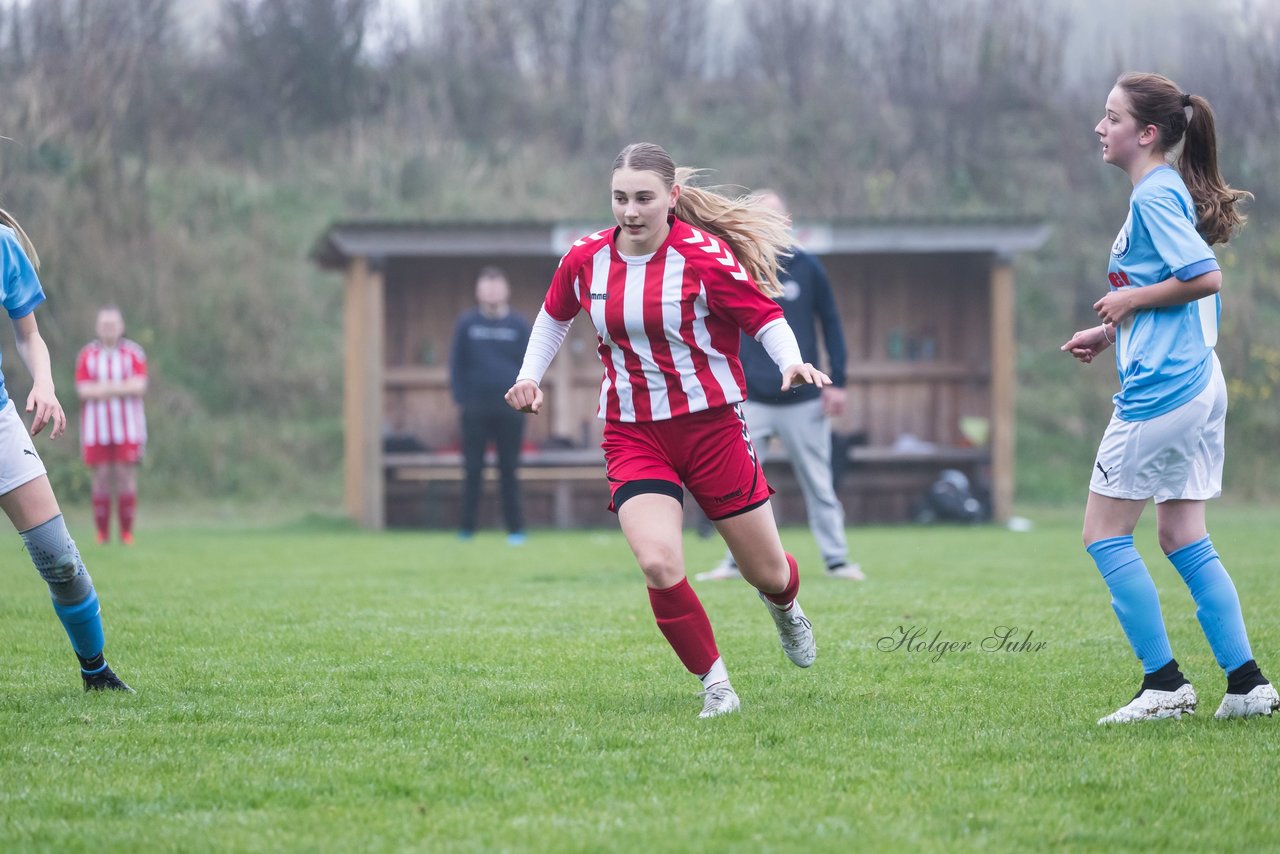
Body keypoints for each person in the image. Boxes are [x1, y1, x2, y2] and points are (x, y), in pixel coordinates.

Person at [506, 143, 831, 718]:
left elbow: (763, 315)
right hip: (633, 433)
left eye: (644, 198)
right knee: (658, 562)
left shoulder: (702, 257)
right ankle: (716, 686)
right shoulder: (585, 258)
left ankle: (785, 608)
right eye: (620, 198)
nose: (630, 211)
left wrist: (790, 362)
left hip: (712, 429)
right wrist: (529, 377)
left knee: (768, 571)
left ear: (672, 198)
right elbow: (555, 315)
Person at [1061, 72, 1274, 723]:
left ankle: (1164, 684)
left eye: (1113, 117)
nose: (1101, 127)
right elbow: (1170, 288)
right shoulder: (1159, 194)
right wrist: (1110, 329)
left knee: (1103, 535)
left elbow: (1203, 278)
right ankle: (1247, 687)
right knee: (1183, 536)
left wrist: (1127, 299)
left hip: (1166, 392)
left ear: (1146, 133)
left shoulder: (1155, 195)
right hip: (1198, 384)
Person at [696, 190, 863, 582]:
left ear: (786, 222)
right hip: (750, 395)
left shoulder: (807, 267)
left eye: (772, 217)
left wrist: (837, 381)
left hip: (804, 400)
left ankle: (837, 559)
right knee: (738, 484)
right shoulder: (734, 267)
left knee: (819, 483)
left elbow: (832, 325)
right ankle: (734, 561)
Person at [0, 209, 131, 692]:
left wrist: (45, 383)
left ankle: (96, 673)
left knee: (61, 561)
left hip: (1, 425)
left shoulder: (3, 245)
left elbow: (29, 333)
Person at [449, 266, 531, 544]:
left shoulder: (518, 325)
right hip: (474, 409)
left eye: (497, 286)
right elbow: (456, 365)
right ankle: (467, 529)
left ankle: (516, 530)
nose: (492, 292)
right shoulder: (467, 324)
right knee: (473, 469)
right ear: (478, 291)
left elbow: (531, 364)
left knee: (509, 470)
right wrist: (461, 398)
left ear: (506, 290)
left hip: (512, 409)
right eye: (486, 286)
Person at [75, 305, 148, 545]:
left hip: (128, 427)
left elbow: (139, 386)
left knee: (126, 476)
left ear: (121, 327)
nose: (109, 329)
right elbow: (83, 390)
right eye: (104, 325)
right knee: (102, 477)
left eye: (113, 325)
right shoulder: (87, 355)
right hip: (97, 430)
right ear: (98, 328)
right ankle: (102, 533)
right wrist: (120, 387)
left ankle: (126, 532)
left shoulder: (134, 353)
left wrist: (104, 389)